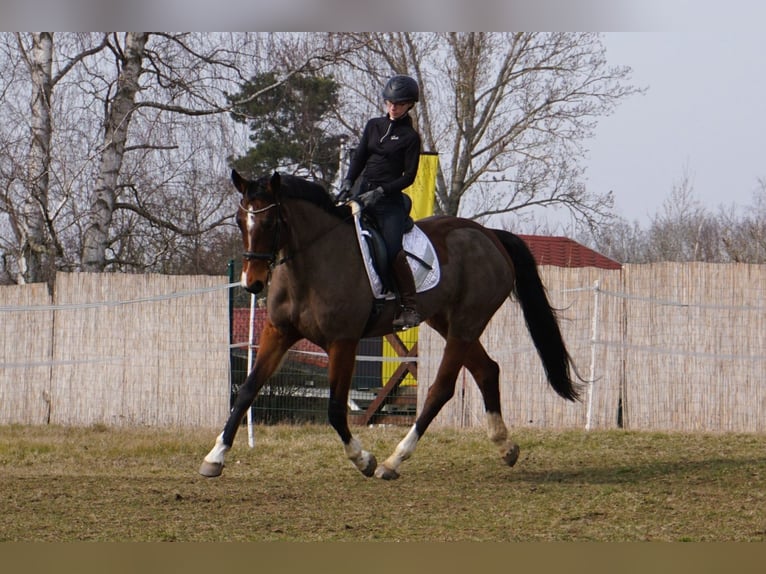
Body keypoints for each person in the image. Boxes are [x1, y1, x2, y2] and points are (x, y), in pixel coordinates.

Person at [337, 74, 422, 330]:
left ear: (409, 105)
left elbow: (409, 176)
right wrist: (347, 183)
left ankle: (409, 305)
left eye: (397, 104)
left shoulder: (411, 138)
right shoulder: (373, 126)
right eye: (388, 103)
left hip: (389, 203)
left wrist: (382, 191)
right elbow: (360, 157)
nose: (392, 108)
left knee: (392, 249)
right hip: (361, 196)